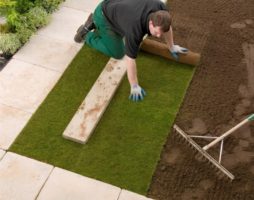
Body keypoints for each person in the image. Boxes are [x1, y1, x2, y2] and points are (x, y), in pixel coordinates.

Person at [74, 0, 188, 102]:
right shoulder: (135, 28)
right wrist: (134, 85)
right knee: (118, 53)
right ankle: (86, 33)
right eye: (157, 32)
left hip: (118, 6)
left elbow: (167, 29)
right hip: (104, 16)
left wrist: (172, 46)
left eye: (160, 33)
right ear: (151, 23)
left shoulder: (161, 9)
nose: (159, 36)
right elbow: (130, 59)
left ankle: (96, 23)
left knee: (125, 31)